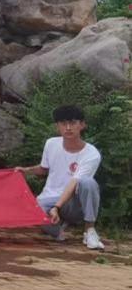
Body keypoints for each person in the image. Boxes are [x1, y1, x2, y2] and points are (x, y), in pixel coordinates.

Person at [16, 105, 104, 250]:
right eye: (63, 123)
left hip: (74, 202)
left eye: (73, 123)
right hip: (48, 198)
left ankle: (89, 230)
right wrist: (25, 171)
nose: (68, 128)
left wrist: (57, 207)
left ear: (82, 125)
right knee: (32, 212)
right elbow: (44, 168)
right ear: (57, 126)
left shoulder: (91, 153)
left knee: (88, 182)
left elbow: (75, 182)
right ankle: (57, 230)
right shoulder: (51, 144)